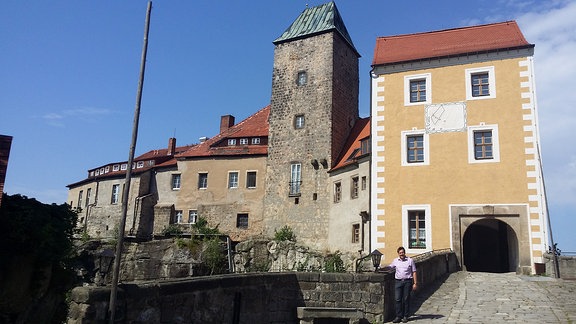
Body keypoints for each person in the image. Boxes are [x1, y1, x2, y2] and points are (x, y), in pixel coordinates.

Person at [387, 246, 417, 323]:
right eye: (400, 253)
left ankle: (406, 316)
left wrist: (415, 283)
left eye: (402, 252)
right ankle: (398, 316)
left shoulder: (410, 260)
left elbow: (414, 272)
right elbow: (390, 267)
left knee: (406, 299)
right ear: (398, 254)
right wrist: (381, 269)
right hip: (398, 282)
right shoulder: (395, 261)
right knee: (398, 299)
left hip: (407, 282)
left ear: (404, 253)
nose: (401, 254)